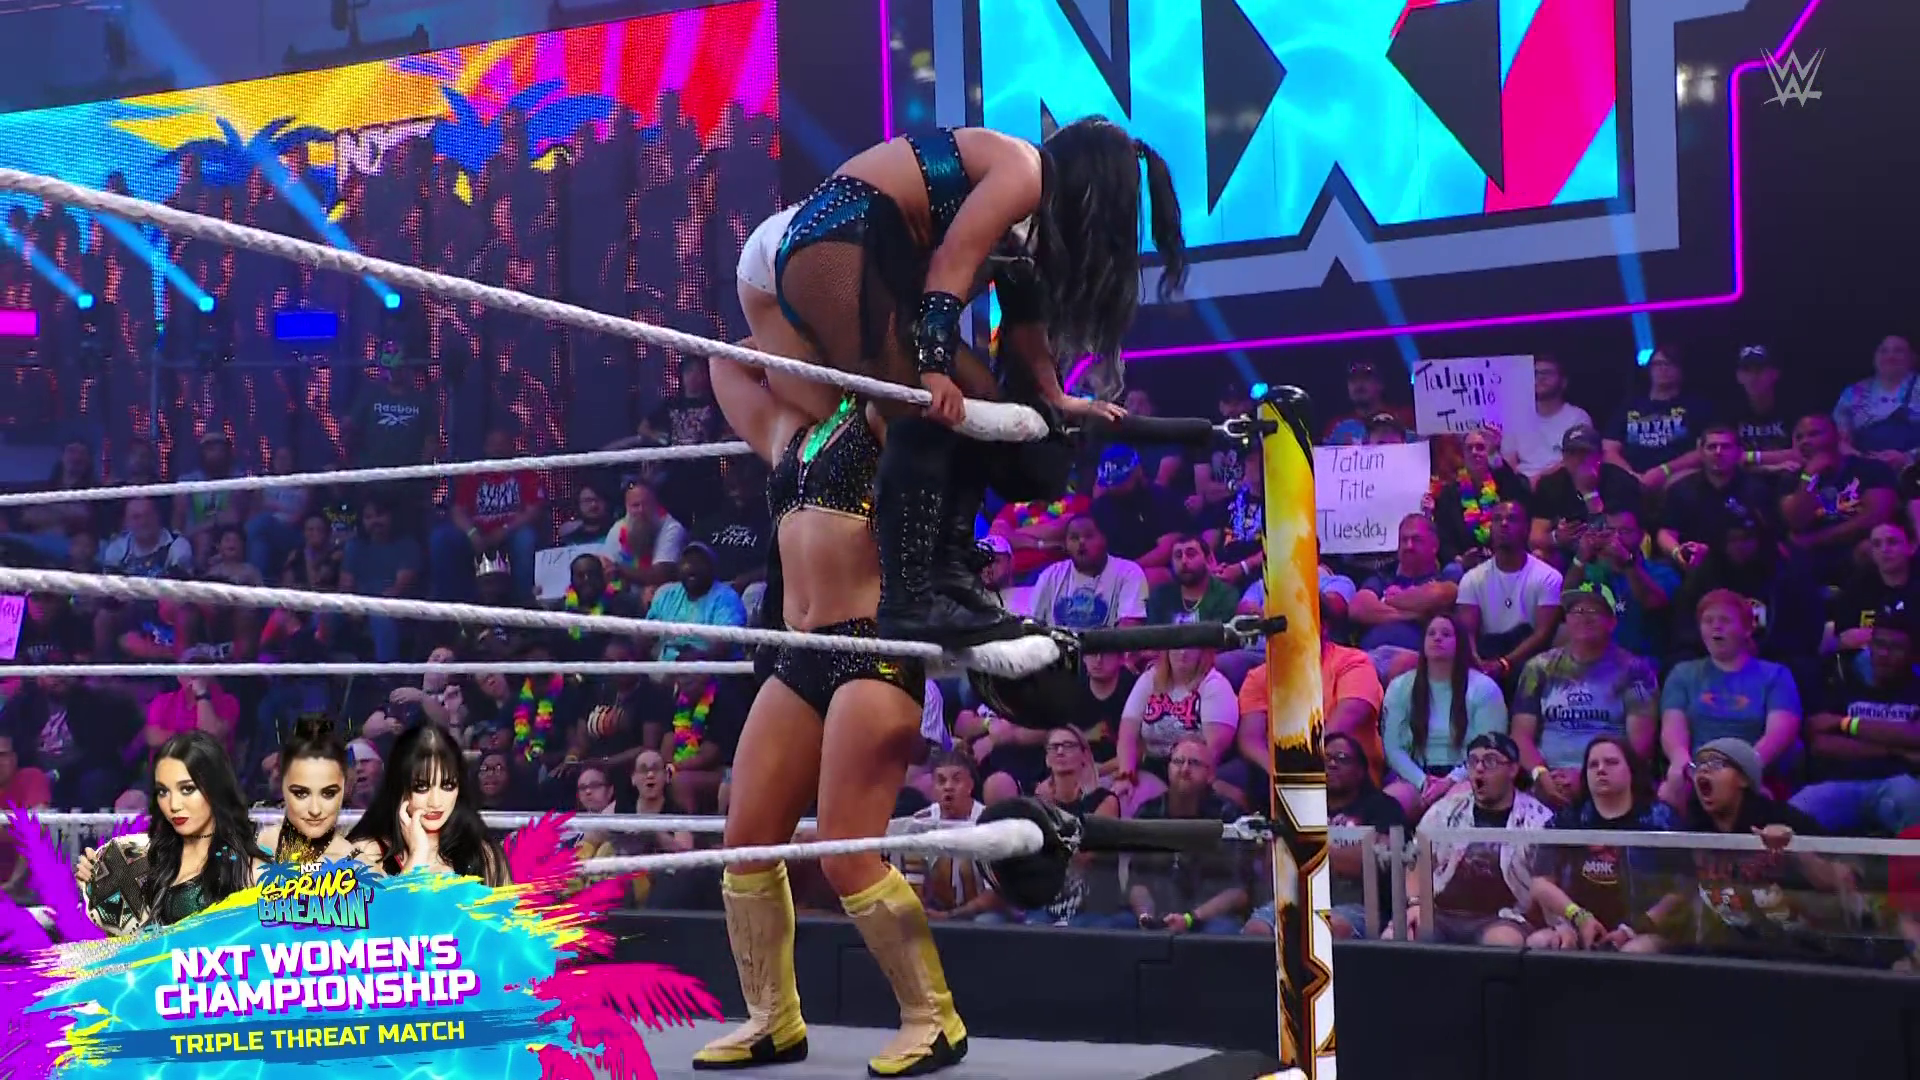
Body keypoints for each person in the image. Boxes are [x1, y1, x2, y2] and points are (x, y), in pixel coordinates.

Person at [734, 117, 1188, 647]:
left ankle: (950, 575)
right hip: (838, 239)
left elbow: (1023, 321)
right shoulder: (1023, 170)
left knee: (985, 404)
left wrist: (1057, 397)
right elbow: (953, 262)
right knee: (917, 405)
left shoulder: (1032, 216)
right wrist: (932, 368)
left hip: (872, 258)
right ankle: (910, 598)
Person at [699, 353, 967, 1074]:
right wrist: (781, 325)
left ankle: (933, 1017)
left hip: (872, 646)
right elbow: (726, 363)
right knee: (746, 843)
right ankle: (772, 1018)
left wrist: (846, 336)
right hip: (800, 652)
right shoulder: (790, 432)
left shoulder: (874, 412)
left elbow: (912, 389)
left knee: (847, 849)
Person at [75, 730, 265, 934]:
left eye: (187, 789)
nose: (173, 805)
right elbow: (129, 942)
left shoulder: (252, 872)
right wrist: (97, 890)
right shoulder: (146, 859)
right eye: (163, 791)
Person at [345, 721, 508, 886]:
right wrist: (416, 858)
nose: (435, 802)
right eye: (421, 787)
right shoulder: (366, 854)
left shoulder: (482, 854)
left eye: (447, 786)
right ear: (399, 787)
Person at [255, 717, 375, 866]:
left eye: (328, 793)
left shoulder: (366, 834)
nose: (315, 809)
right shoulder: (261, 827)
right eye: (301, 793)